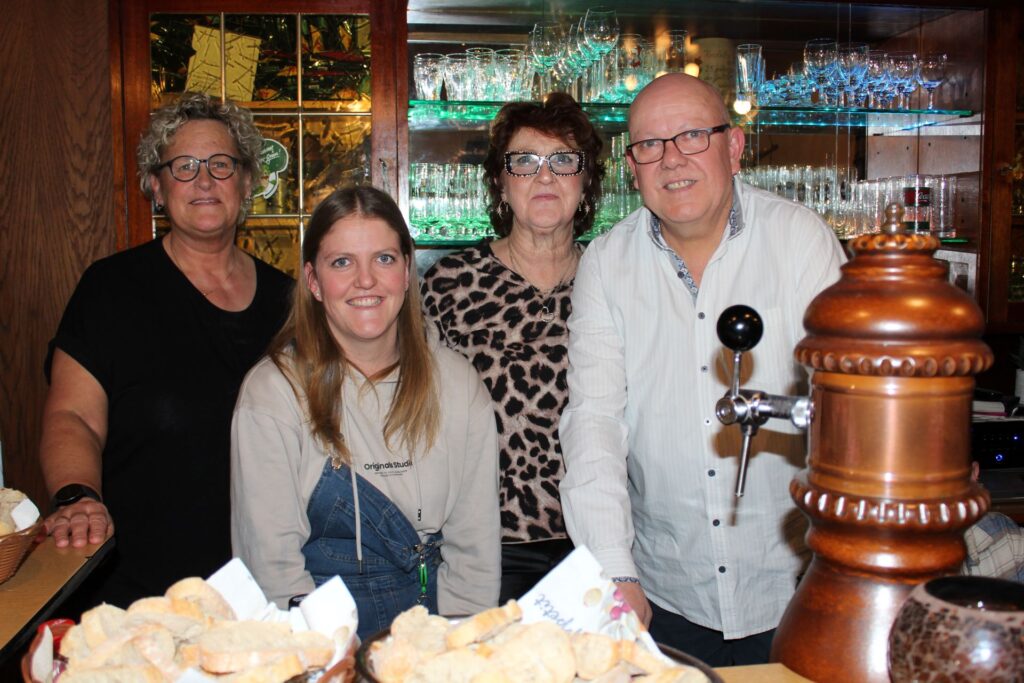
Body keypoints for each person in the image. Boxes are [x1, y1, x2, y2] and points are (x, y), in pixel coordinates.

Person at [558, 73, 847, 666]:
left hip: (796, 587)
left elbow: (846, 408)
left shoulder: (800, 241)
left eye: (692, 135)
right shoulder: (607, 265)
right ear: (631, 164)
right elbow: (594, 424)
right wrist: (615, 571)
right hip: (667, 596)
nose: (671, 160)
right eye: (649, 145)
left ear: (734, 147)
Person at [40, 92, 293, 608]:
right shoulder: (111, 289)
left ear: (246, 183)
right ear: (155, 187)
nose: (204, 180)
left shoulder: (288, 302)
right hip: (137, 592)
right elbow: (72, 416)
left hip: (262, 589)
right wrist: (76, 497)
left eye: (221, 165)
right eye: (184, 166)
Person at [231, 186, 500, 638]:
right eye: (342, 263)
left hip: (431, 640)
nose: (366, 281)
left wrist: (453, 654)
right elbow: (271, 571)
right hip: (315, 642)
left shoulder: (457, 385)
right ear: (313, 282)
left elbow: (473, 557)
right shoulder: (273, 393)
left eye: (384, 259)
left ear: (408, 271)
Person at [420, 93, 604, 603]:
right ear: (501, 182)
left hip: (602, 545)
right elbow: (415, 414)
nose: (545, 176)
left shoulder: (613, 278)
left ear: (585, 181)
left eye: (564, 160)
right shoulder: (450, 283)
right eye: (524, 161)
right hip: (482, 547)